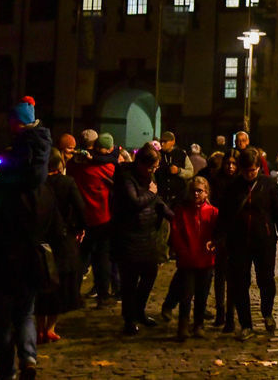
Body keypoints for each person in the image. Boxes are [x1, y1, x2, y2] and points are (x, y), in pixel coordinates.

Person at [0, 97, 60, 380]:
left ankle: (6, 371)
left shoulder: (4, 188)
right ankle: (29, 358)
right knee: (25, 312)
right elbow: (51, 221)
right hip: (32, 256)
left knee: (3, 318)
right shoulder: (43, 189)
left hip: (4, 256)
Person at [216, 147, 278, 340]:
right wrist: (219, 236)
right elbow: (225, 214)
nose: (250, 174)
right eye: (246, 171)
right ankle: (246, 323)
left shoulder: (268, 184)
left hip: (264, 239)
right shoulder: (234, 186)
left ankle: (267, 312)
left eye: (253, 170)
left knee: (266, 280)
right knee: (240, 282)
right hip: (239, 241)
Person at [110, 143, 173, 335]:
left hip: (148, 235)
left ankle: (139, 310)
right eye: (151, 167)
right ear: (141, 164)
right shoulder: (126, 178)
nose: (154, 170)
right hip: (129, 236)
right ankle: (129, 319)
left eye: (155, 167)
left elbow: (156, 199)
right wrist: (152, 193)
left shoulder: (149, 177)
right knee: (129, 281)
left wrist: (170, 213)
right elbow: (135, 201)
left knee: (149, 274)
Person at [36, 149, 86, 344]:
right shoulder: (67, 183)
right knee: (59, 285)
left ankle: (40, 328)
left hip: (40, 239)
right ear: (59, 165)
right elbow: (80, 207)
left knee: (42, 285)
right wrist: (81, 228)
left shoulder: (37, 184)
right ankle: (50, 327)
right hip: (62, 239)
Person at [70, 131, 120, 307]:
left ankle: (73, 295)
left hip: (81, 218)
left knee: (80, 259)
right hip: (102, 217)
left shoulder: (75, 166)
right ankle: (103, 296)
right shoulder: (107, 167)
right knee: (102, 259)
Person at [169, 176, 218, 341]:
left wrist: (214, 244)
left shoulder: (212, 212)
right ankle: (183, 325)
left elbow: (216, 234)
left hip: (206, 260)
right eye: (194, 190)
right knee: (186, 295)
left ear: (206, 192)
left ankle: (198, 324)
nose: (196, 194)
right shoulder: (182, 211)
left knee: (202, 295)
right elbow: (176, 232)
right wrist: (182, 251)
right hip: (187, 260)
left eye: (200, 191)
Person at [207, 151, 238, 327]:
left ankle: (231, 316)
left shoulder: (240, 183)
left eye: (234, 163)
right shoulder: (216, 181)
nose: (231, 167)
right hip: (220, 232)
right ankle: (220, 312)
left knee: (233, 277)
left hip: (236, 234)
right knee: (219, 276)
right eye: (228, 163)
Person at [156, 131, 194, 207]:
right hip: (161, 197)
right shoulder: (157, 155)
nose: (162, 144)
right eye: (161, 141)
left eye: (165, 141)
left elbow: (190, 172)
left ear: (173, 142)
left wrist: (179, 171)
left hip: (178, 198)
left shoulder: (181, 154)